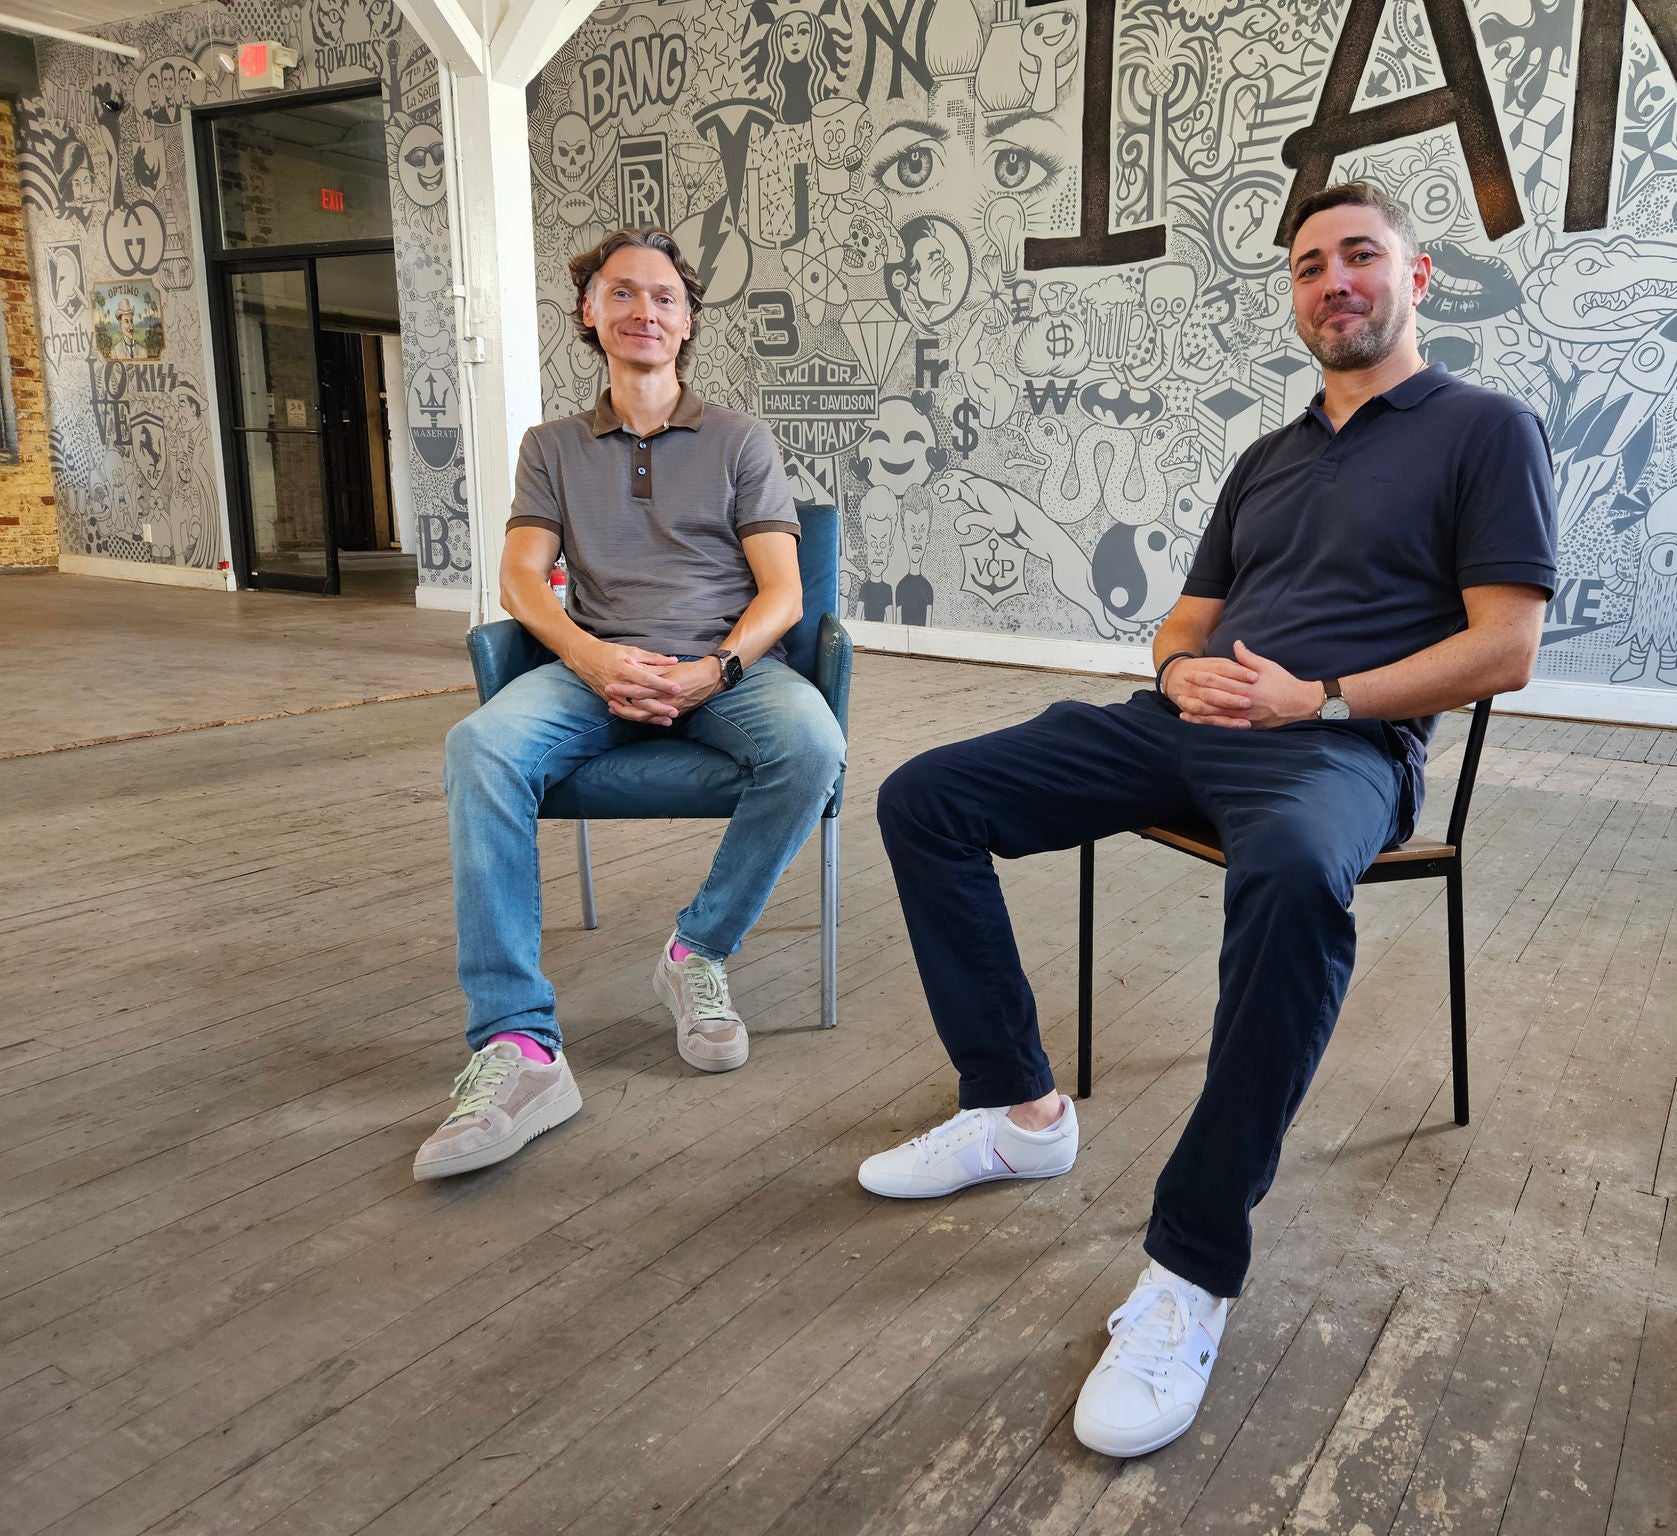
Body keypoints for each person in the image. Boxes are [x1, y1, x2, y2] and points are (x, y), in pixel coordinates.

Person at [859, 182, 1556, 1456]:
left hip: (1338, 748)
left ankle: (1189, 1269)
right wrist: (1182, 674)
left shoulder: (1483, 430)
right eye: (1307, 266)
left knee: (1292, 879)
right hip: (1187, 724)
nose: (1331, 281)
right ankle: (1017, 1112)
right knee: (925, 798)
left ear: (1418, 278)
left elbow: (1504, 647)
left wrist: (1322, 698)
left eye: (1359, 257)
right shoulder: (1267, 455)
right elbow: (1185, 621)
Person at [415, 229, 845, 1181]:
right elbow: (523, 579)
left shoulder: (739, 440)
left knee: (815, 745)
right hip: (591, 666)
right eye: (622, 295)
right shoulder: (551, 447)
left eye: (663, 298)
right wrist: (592, 655)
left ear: (687, 322)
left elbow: (783, 594)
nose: (643, 312)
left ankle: (697, 949)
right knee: (479, 748)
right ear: (590, 314)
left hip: (724, 668)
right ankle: (519, 1046)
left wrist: (715, 671)